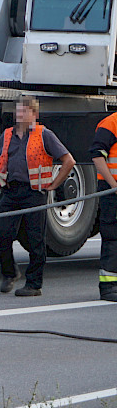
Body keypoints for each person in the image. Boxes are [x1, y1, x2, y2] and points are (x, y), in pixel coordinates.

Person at [0, 96, 75, 296]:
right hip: (10, 192)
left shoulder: (44, 134)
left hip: (34, 193)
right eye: (18, 111)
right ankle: (10, 273)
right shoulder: (8, 134)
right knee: (1, 235)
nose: (19, 115)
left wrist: (55, 183)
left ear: (34, 114)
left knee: (35, 239)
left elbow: (68, 160)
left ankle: (34, 284)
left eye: (24, 111)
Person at [89, 111, 117, 301]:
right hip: (112, 191)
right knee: (113, 238)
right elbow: (97, 155)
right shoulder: (111, 123)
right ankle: (108, 287)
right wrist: (113, 185)